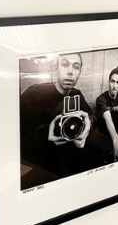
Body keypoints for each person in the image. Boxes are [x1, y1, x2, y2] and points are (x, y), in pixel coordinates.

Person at [20, 53, 111, 184]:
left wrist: (89, 122)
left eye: (76, 67)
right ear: (55, 68)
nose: (70, 72)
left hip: (73, 163)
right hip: (45, 168)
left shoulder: (76, 94)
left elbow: (91, 118)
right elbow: (17, 138)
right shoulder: (34, 94)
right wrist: (47, 131)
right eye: (64, 65)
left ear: (80, 72)